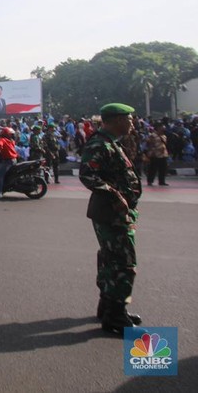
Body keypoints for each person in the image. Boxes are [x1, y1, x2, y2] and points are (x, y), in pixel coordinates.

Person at [79, 103, 143, 335]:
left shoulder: (111, 143)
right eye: (129, 118)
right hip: (111, 213)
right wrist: (115, 195)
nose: (132, 123)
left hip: (115, 212)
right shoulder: (100, 143)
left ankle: (109, 308)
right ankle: (115, 316)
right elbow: (87, 174)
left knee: (110, 260)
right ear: (116, 120)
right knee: (124, 263)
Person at [0, 127, 17, 199]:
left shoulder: (2, 140)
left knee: (0, 175)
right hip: (13, 159)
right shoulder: (11, 141)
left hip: (8, 161)